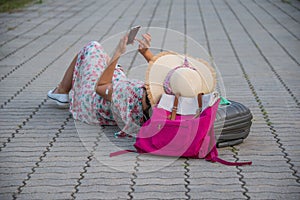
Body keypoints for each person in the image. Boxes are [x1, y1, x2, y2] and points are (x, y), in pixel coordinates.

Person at [47, 33, 154, 136]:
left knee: (92, 47)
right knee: (106, 62)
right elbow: (166, 77)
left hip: (92, 99)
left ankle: (61, 91)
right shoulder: (159, 103)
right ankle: (62, 90)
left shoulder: (130, 95)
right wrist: (146, 53)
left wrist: (118, 52)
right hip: (115, 91)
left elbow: (100, 87)